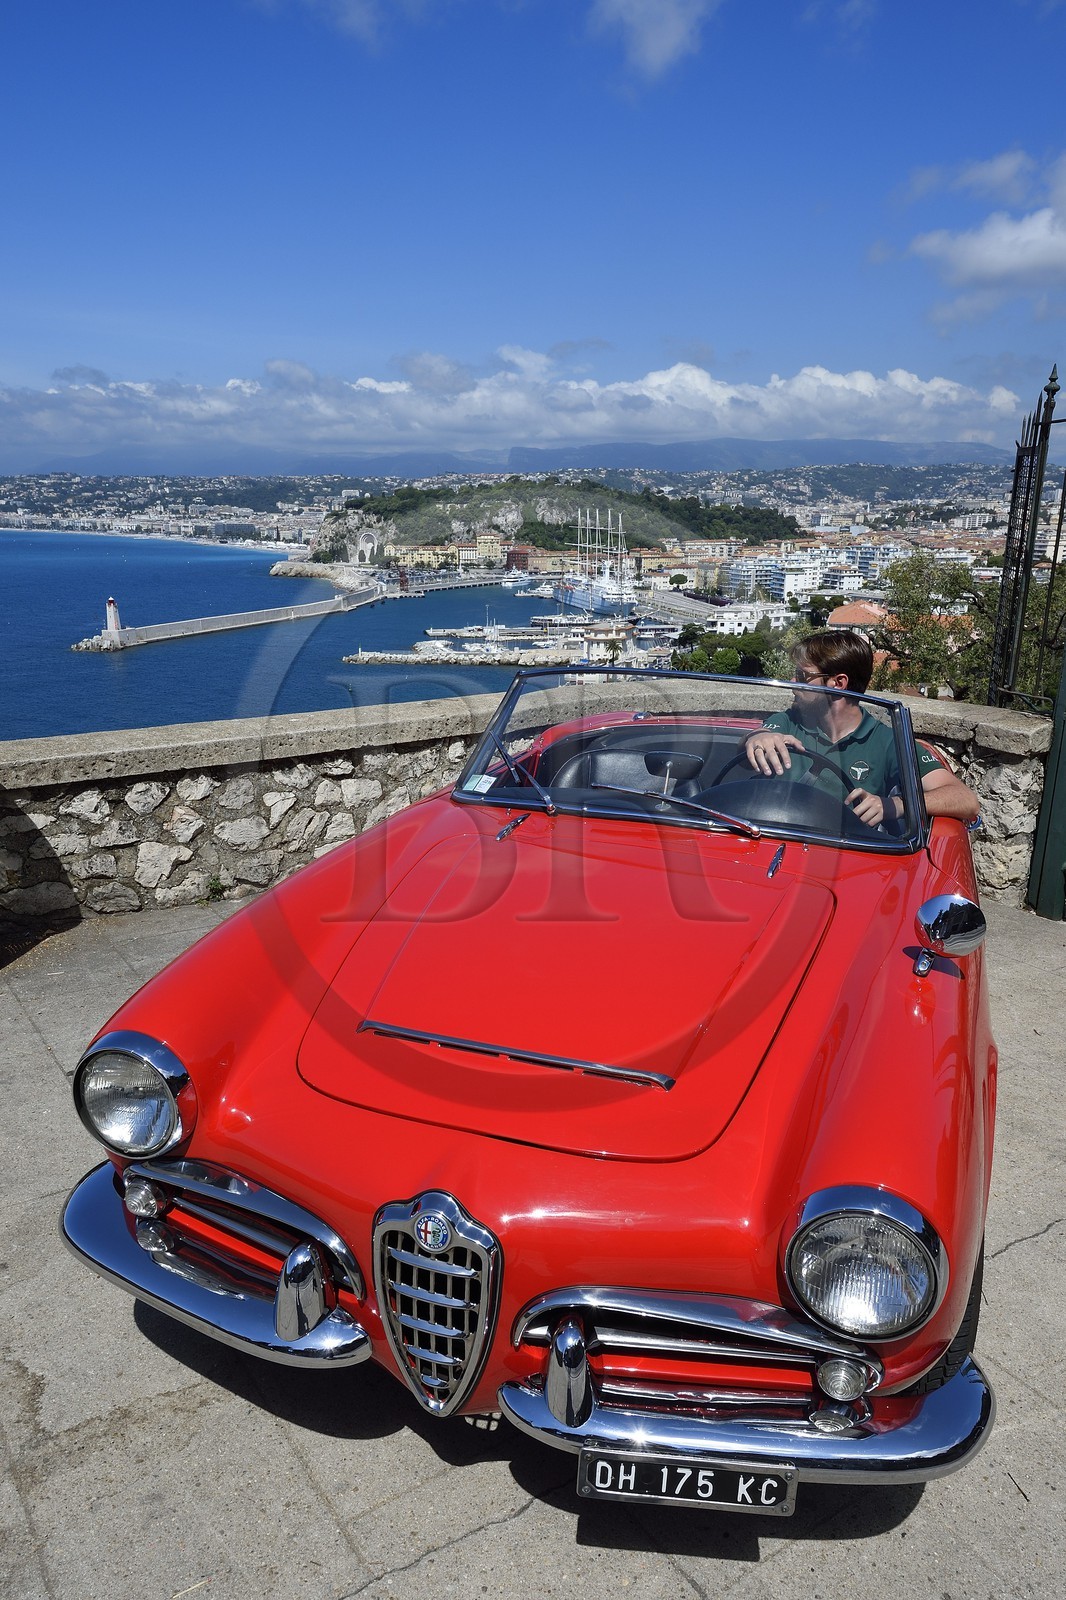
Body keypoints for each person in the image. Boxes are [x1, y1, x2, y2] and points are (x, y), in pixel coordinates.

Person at [744, 630, 980, 826]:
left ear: (838, 683)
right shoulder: (790, 720)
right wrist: (757, 738)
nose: (792, 683)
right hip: (778, 841)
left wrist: (896, 805)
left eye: (802, 675)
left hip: (844, 855)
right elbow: (758, 738)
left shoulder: (886, 742)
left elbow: (965, 800)